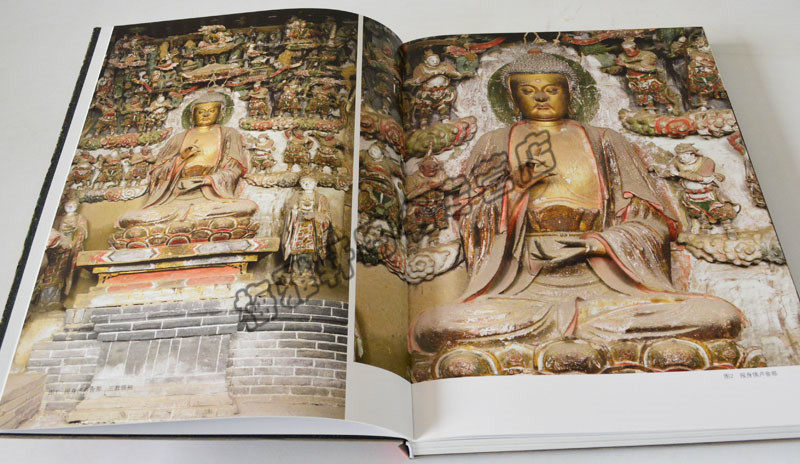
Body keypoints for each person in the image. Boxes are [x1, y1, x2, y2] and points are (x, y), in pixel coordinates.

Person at [409, 52, 746, 378]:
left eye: (551, 89)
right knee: (437, 325)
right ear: (512, 99)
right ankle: (583, 335)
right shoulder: (494, 142)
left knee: (718, 316)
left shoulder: (607, 141)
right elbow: (473, 223)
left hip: (607, 287)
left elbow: (652, 223)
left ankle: (567, 333)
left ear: (571, 93)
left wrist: (596, 244)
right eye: (527, 90)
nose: (541, 97)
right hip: (523, 288)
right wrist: (514, 190)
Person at [114, 91, 258, 247]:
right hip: (174, 200)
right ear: (192, 115)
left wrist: (207, 180)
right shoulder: (178, 139)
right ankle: (190, 226)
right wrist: (180, 159)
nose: (205, 115)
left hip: (211, 198)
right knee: (130, 219)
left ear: (220, 113)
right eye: (200, 112)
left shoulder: (228, 134)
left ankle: (182, 227)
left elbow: (234, 169)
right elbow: (157, 173)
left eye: (211, 111)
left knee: (246, 208)